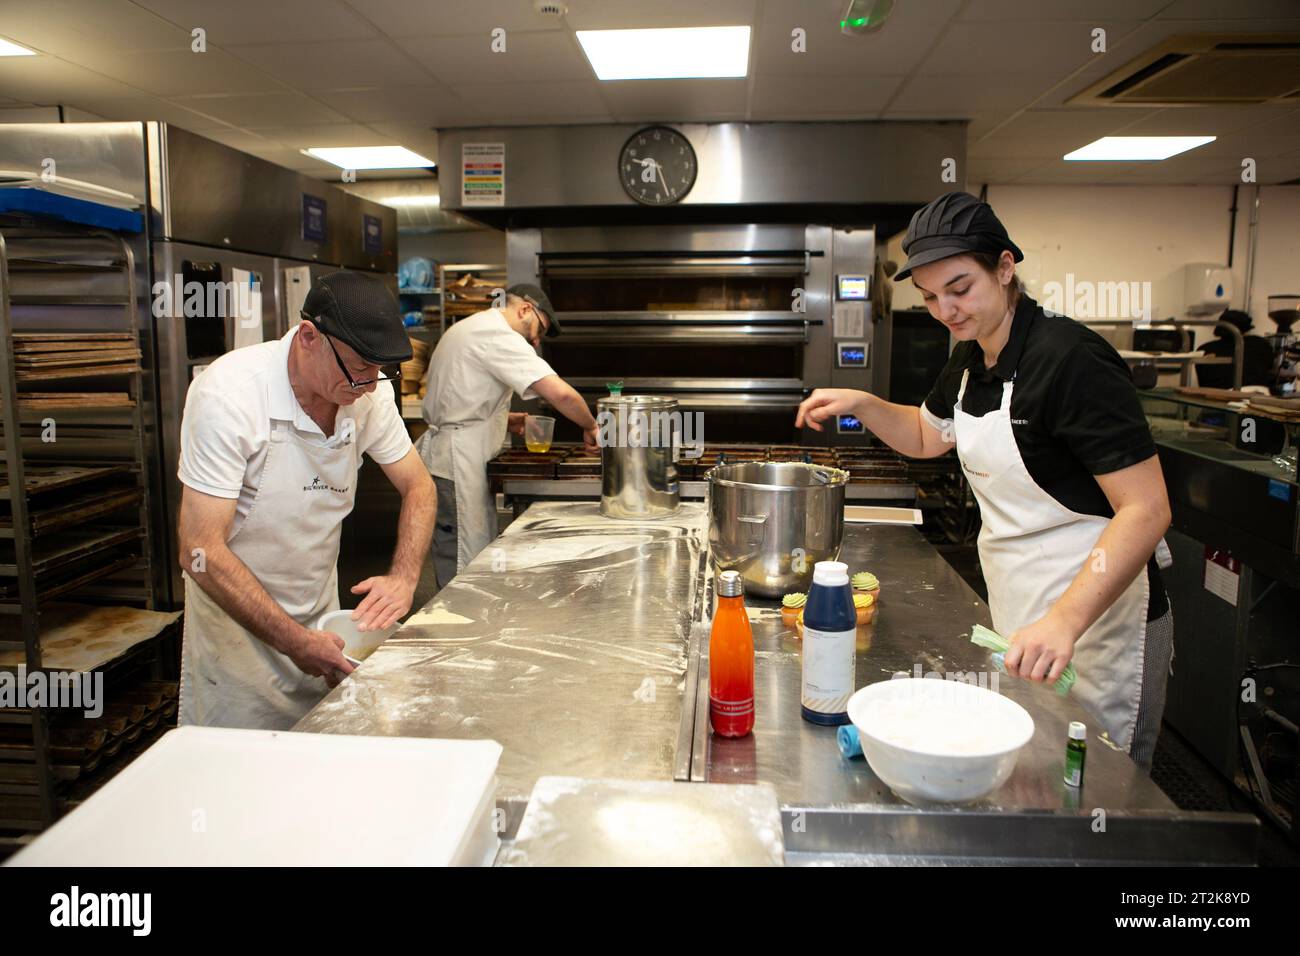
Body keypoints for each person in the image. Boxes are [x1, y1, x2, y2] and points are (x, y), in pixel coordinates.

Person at [797, 192, 1175, 770]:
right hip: (1024, 609)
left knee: (1099, 788)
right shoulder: (971, 358)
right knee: (1032, 776)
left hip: (1097, 619)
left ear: (1005, 267)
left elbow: (1146, 510)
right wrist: (864, 403)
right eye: (928, 297)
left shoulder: (1071, 359)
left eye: (959, 288)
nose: (945, 310)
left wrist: (1065, 621)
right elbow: (927, 436)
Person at [177, 272, 435, 730]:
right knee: (240, 781)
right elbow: (199, 550)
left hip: (323, 627)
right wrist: (292, 641)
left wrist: (405, 576)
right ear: (310, 337)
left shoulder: (366, 395)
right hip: (237, 647)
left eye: (380, 370)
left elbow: (419, 487)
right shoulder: (230, 395)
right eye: (360, 367)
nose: (372, 385)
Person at [417, 283, 598, 588]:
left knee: (465, 556)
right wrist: (591, 426)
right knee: (462, 564)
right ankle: (456, 630)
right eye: (538, 330)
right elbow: (560, 394)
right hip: (457, 462)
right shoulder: (497, 334)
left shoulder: (474, 326)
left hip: (453, 455)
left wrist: (503, 418)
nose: (536, 341)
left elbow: (459, 398)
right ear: (525, 309)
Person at [1196, 308, 1276, 389]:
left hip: (1215, 395)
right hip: (1259, 392)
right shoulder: (1261, 344)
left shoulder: (1204, 349)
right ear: (1246, 329)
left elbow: (1203, 381)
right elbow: (1270, 366)